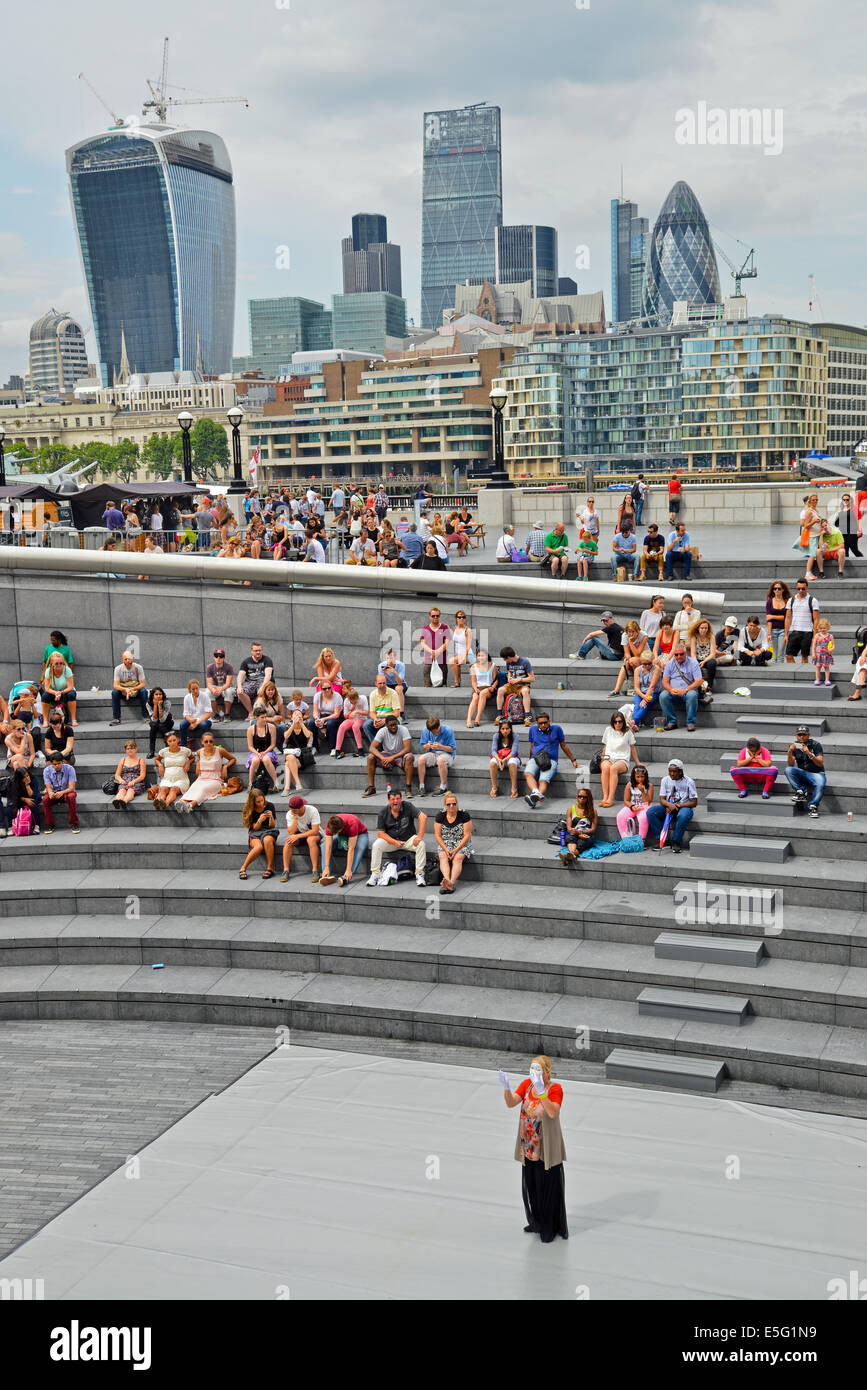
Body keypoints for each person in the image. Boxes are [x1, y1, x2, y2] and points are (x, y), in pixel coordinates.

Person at [501, 1055, 567, 1243]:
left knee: (547, 1188)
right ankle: (536, 1222)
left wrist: (542, 1093)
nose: (533, 1073)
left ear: (547, 1072)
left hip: (545, 1149)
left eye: (537, 1070)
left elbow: (553, 1112)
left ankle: (550, 1227)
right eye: (531, 1069)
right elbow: (511, 1102)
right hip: (529, 1146)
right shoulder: (527, 1085)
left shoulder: (555, 1089)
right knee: (532, 1186)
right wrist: (506, 1088)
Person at [368, 788, 427, 886]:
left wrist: (420, 836)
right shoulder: (383, 813)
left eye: (398, 798)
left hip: (408, 839)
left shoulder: (408, 806)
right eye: (393, 799)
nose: (395, 801)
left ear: (401, 799)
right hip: (392, 842)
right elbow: (380, 833)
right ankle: (375, 875)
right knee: (376, 845)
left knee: (421, 844)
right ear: (388, 800)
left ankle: (420, 874)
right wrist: (394, 842)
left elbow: (423, 817)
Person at [524, 712, 578, 808]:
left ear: (549, 721)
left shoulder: (557, 729)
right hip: (536, 758)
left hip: (550, 760)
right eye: (540, 723)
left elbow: (563, 745)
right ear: (537, 723)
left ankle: (534, 800)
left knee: (543, 780)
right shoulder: (532, 729)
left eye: (545, 722)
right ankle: (536, 793)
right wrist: (529, 760)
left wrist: (573, 760)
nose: (543, 725)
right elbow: (532, 746)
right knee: (528, 773)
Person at [646, 758, 697, 853]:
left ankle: (676, 841)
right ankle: (663, 840)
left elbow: (694, 802)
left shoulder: (689, 781)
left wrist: (677, 806)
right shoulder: (665, 780)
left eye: (675, 771)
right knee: (651, 812)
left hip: (684, 807)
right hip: (669, 806)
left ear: (680, 771)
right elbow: (662, 799)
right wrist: (669, 805)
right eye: (670, 771)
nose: (672, 774)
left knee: (683, 816)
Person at [177, 734, 236, 813]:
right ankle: (181, 802)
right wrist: (198, 763)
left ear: (213, 742)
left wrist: (225, 766)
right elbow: (198, 767)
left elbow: (233, 759)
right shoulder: (199, 752)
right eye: (206, 741)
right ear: (202, 742)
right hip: (202, 778)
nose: (208, 743)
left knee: (203, 789)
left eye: (211, 741)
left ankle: (190, 805)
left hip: (216, 779)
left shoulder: (220, 750)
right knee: (193, 788)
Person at [364, 714, 413, 796]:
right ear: (386, 726)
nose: (394, 727)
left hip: (400, 754)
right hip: (386, 754)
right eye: (391, 725)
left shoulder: (403, 729)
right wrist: (383, 759)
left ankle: (408, 788)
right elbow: (372, 748)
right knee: (370, 757)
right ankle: (372, 787)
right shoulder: (382, 731)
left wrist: (392, 758)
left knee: (409, 757)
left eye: (395, 724)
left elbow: (408, 749)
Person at [598, 711, 639, 807]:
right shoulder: (608, 730)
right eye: (615, 722)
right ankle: (605, 797)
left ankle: (611, 798)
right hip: (609, 758)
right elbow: (605, 745)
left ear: (623, 722)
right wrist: (603, 758)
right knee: (605, 767)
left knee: (613, 769)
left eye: (620, 721)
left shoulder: (628, 731)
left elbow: (632, 747)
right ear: (612, 722)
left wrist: (637, 762)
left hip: (622, 759)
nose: (618, 724)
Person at [659, 644, 703, 731]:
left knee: (692, 695)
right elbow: (664, 681)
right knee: (663, 696)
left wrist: (685, 690)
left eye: (681, 654)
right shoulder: (670, 664)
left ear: (686, 653)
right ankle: (672, 722)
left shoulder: (693, 663)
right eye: (676, 655)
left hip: (688, 691)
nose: (678, 656)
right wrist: (670, 689)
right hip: (673, 691)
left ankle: (690, 723)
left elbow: (698, 681)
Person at [784, 725, 825, 818]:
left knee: (821, 784)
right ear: (796, 736)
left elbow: (820, 763)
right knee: (788, 770)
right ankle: (801, 791)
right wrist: (789, 753)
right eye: (799, 735)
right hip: (803, 773)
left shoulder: (816, 745)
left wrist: (809, 753)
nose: (801, 737)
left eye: (804, 735)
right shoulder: (794, 746)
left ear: (809, 735)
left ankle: (813, 806)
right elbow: (790, 764)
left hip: (817, 773)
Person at [434, 793, 473, 893]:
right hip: (445, 843)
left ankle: (451, 883)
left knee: (458, 858)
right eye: (449, 804)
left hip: (461, 843)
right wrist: (446, 849)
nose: (451, 806)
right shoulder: (440, 816)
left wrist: (456, 850)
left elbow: (467, 835)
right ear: (445, 805)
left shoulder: (464, 815)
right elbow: (438, 836)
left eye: (454, 804)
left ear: (457, 804)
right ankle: (446, 880)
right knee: (442, 856)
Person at [319, 812, 369, 887]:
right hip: (342, 835)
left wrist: (348, 869)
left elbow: (351, 848)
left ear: (341, 829)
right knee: (324, 846)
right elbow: (328, 847)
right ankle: (326, 874)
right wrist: (326, 867)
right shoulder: (330, 824)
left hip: (360, 834)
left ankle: (347, 876)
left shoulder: (352, 823)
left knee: (360, 848)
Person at [239, 790, 278, 879]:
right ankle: (243, 867)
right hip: (255, 831)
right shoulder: (249, 809)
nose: (261, 803)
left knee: (267, 840)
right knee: (258, 847)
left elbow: (272, 826)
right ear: (253, 802)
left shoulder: (270, 806)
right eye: (258, 802)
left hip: (269, 831)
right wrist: (260, 820)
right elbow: (255, 828)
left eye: (262, 800)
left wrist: (271, 817)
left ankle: (270, 868)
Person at [416, 716, 457, 796]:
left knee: (440, 760)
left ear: (439, 726)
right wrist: (427, 746)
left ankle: (443, 788)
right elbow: (423, 745)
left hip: (447, 754)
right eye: (432, 732)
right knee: (420, 759)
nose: (435, 733)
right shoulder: (426, 730)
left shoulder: (448, 730)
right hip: (433, 753)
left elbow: (452, 749)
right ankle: (421, 786)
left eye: (436, 731)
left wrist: (440, 746)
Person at [42, 752, 80, 834]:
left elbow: (72, 788)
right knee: (45, 799)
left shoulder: (70, 769)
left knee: (71, 796)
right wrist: (50, 792)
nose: (57, 766)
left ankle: (74, 824)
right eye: (54, 764)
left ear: (62, 762)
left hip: (66, 792)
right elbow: (48, 787)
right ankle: (49, 825)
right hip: (54, 793)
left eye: (59, 763)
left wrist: (61, 793)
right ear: (51, 763)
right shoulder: (46, 770)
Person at [153, 731, 191, 811]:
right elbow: (156, 760)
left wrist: (188, 763)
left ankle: (165, 804)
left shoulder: (185, 750)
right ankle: (159, 802)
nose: (172, 742)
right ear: (167, 742)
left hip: (181, 779)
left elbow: (192, 758)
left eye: (174, 740)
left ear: (178, 740)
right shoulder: (164, 751)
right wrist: (160, 765)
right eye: (170, 741)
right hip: (167, 778)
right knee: (163, 789)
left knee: (173, 789)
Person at [558, 788, 599, 864]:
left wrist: (580, 833)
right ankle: (572, 856)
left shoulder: (593, 811)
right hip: (574, 833)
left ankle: (567, 857)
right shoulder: (571, 809)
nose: (582, 798)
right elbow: (569, 828)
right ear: (577, 797)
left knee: (581, 843)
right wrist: (578, 834)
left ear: (588, 799)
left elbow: (593, 829)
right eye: (580, 796)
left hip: (586, 834)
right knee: (570, 838)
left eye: (585, 797)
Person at [783, 579, 819, 664]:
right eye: (798, 588)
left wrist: (815, 636)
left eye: (803, 588)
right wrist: (785, 634)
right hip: (794, 631)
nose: (800, 590)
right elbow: (787, 618)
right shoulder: (791, 600)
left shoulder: (813, 600)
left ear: (807, 587)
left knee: (804, 656)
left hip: (807, 632)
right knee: (788, 655)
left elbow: (816, 619)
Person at [496, 646, 535, 723]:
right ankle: (499, 715)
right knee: (500, 690)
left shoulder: (525, 662)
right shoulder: (508, 662)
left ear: (509, 657)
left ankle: (527, 716)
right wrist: (509, 677)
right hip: (512, 685)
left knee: (525, 692)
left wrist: (519, 679)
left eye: (505, 659)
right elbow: (509, 671)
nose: (504, 660)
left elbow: (532, 678)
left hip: (523, 685)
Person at [610, 620, 648, 696]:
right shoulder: (624, 635)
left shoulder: (644, 635)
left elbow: (638, 653)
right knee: (627, 663)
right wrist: (629, 659)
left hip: (645, 656)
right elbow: (626, 653)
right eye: (628, 631)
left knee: (633, 660)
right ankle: (616, 690)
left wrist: (630, 642)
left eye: (632, 632)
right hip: (633, 657)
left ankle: (638, 687)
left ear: (637, 631)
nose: (630, 634)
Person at [236, 642, 274, 718]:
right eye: (256, 650)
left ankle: (256, 713)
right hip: (250, 682)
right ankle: (251, 712)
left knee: (264, 690)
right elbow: (240, 675)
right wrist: (239, 687)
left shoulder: (267, 660)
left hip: (263, 681)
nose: (258, 652)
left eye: (260, 650)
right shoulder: (246, 661)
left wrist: (263, 686)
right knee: (240, 692)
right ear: (252, 651)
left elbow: (268, 675)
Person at [110, 651, 148, 725]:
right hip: (123, 689)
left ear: (132, 659)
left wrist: (133, 689)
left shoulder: (138, 667)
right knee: (114, 693)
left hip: (135, 689)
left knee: (144, 692)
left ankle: (146, 716)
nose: (128, 661)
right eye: (125, 659)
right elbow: (115, 685)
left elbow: (143, 684)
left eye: (129, 659)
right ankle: (116, 718)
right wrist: (125, 689)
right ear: (122, 660)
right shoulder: (118, 668)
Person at [363, 673, 401, 745]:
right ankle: (377, 747)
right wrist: (375, 719)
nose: (382, 685)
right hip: (378, 718)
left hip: (391, 718)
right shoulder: (373, 694)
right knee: (366, 725)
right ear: (376, 684)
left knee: (388, 725)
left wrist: (385, 720)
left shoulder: (393, 693)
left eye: (384, 683)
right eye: (380, 683)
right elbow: (372, 712)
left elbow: (397, 713)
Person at [616, 765, 653, 840]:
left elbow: (648, 801)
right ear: (634, 776)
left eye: (642, 776)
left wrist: (642, 791)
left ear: (645, 776)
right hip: (633, 806)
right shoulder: (629, 785)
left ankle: (642, 840)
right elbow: (626, 800)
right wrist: (632, 807)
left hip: (644, 807)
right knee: (620, 816)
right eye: (638, 777)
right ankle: (625, 839)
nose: (640, 779)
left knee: (643, 818)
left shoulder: (649, 786)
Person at [246, 709, 279, 789]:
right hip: (255, 751)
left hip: (268, 750)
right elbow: (250, 746)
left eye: (265, 717)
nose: (265, 719)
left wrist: (264, 753)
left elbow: (273, 745)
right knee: (255, 760)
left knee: (266, 759)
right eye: (262, 717)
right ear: (256, 717)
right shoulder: (250, 729)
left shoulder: (271, 727)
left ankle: (276, 783)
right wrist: (258, 754)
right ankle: (250, 783)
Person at [282, 709, 313, 793]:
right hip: (291, 753)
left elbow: (308, 735)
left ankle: (287, 788)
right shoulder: (288, 726)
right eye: (295, 714)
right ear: (291, 717)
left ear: (302, 717)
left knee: (288, 763)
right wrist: (293, 724)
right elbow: (286, 736)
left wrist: (301, 723)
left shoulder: (306, 725)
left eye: (299, 714)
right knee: (290, 758)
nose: (297, 715)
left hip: (302, 755)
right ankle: (297, 783)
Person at [309, 680, 343, 754]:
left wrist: (324, 719)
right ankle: (315, 747)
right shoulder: (317, 696)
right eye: (324, 689)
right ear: (321, 689)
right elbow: (315, 711)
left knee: (331, 723)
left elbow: (337, 714)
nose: (327, 690)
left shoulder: (337, 696)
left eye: (329, 688)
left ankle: (333, 748)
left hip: (335, 716)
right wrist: (317, 719)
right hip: (322, 715)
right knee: (311, 723)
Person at [112, 739, 147, 811]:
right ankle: (117, 801)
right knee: (122, 790)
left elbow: (142, 776)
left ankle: (124, 801)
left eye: (132, 748)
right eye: (128, 749)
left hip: (137, 782)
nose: (130, 750)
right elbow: (117, 775)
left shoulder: (141, 760)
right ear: (125, 750)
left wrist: (134, 781)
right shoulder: (123, 760)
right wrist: (121, 780)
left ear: (136, 749)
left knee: (130, 790)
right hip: (125, 781)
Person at [334, 684, 367, 759]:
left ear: (357, 698)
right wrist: (351, 710)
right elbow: (345, 716)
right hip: (351, 719)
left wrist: (357, 711)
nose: (353, 703)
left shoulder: (363, 698)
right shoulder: (346, 701)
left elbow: (366, 712)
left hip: (361, 718)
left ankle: (360, 749)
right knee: (342, 726)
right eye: (351, 702)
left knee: (355, 726)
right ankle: (337, 750)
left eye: (354, 702)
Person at [420, 607, 451, 688]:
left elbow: (447, 643)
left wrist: (437, 652)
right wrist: (432, 652)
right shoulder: (425, 628)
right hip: (429, 660)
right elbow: (422, 644)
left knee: (442, 685)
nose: (435, 617)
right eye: (433, 616)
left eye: (437, 616)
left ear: (439, 616)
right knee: (428, 685)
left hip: (442, 661)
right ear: (429, 616)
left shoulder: (445, 627)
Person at [490, 720, 520, 798]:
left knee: (512, 762)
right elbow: (493, 751)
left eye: (507, 728)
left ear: (510, 729)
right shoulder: (496, 736)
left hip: (511, 757)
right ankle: (494, 787)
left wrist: (504, 760)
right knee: (492, 763)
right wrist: (499, 760)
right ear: (500, 729)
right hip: (500, 758)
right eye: (503, 729)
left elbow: (514, 752)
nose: (505, 731)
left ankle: (514, 788)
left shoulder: (515, 736)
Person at [467, 650, 498, 727]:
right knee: (475, 698)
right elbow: (473, 681)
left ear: (487, 656)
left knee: (483, 693)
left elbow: (496, 679)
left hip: (489, 688)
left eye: (482, 655)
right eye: (479, 655)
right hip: (478, 687)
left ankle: (478, 718)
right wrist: (475, 689)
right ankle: (468, 720)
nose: (480, 657)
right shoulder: (473, 667)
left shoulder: (492, 665)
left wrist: (493, 687)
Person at [179, 679, 213, 748]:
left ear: (199, 687)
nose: (195, 691)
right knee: (182, 724)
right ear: (189, 690)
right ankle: (183, 746)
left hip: (203, 720)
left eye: (197, 688)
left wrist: (196, 723)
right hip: (192, 720)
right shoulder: (187, 697)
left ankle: (204, 746)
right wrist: (190, 720)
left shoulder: (205, 696)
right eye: (193, 689)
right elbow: (185, 713)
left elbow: (209, 714)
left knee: (204, 725)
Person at [631, 652, 661, 729]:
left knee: (644, 705)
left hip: (653, 693)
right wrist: (643, 696)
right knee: (637, 706)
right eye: (644, 664)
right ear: (641, 662)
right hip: (640, 693)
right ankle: (635, 726)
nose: (647, 666)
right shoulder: (637, 670)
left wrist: (645, 699)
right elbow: (636, 688)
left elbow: (652, 686)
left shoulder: (656, 669)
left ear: (652, 661)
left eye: (649, 663)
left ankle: (633, 722)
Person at [797, 494, 823, 578]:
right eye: (813, 500)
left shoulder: (815, 510)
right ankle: (808, 573)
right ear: (809, 501)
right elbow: (805, 525)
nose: (815, 501)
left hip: (817, 535)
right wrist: (814, 522)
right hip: (812, 536)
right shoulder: (809, 511)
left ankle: (809, 573)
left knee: (813, 554)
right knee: (812, 555)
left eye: (816, 500)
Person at [205, 649, 235, 722]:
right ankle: (216, 714)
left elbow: (228, 683)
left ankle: (227, 715)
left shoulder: (229, 667)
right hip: (214, 686)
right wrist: (213, 690)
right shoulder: (209, 667)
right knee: (208, 692)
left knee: (229, 691)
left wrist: (220, 689)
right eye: (216, 656)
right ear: (214, 657)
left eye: (221, 656)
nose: (218, 658)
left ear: (224, 658)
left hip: (226, 686)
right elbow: (209, 683)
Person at [765, 582, 792, 663]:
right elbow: (768, 619)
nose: (777, 590)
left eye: (779, 588)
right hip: (773, 630)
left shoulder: (787, 601)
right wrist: (769, 633)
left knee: (780, 655)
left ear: (783, 590)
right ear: (773, 590)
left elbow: (786, 618)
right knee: (774, 656)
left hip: (783, 631)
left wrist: (773, 616)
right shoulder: (770, 602)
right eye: (775, 589)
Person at [145, 686, 174, 758]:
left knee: (161, 725)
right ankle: (152, 751)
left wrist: (160, 706)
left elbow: (162, 720)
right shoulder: (148, 704)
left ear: (162, 695)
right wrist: (155, 705)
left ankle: (168, 748)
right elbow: (154, 719)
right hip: (155, 721)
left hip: (167, 721)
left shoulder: (167, 702)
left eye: (160, 694)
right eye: (156, 694)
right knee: (154, 725)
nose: (158, 696)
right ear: (152, 695)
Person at [448, 611, 474, 688]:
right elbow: (456, 639)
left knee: (451, 660)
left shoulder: (467, 630)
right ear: (456, 619)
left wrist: (463, 657)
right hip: (459, 655)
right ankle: (457, 683)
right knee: (455, 662)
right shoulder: (455, 629)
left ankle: (456, 682)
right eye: (459, 617)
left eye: (463, 617)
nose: (461, 619)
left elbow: (468, 646)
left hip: (468, 655)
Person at [834, 491, 863, 559]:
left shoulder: (854, 508)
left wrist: (859, 530)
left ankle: (864, 562)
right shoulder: (840, 509)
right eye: (844, 499)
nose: (845, 501)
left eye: (847, 499)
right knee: (845, 550)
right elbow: (837, 524)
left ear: (850, 500)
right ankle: (846, 566)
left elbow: (858, 520)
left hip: (852, 531)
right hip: (843, 532)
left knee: (854, 548)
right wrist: (839, 514)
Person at [811, 617, 835, 688]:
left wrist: (831, 649)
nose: (822, 630)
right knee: (818, 667)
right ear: (819, 628)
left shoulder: (830, 636)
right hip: (818, 654)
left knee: (826, 667)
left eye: (824, 628)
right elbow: (813, 645)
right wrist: (813, 653)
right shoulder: (817, 635)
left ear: (828, 627)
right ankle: (817, 679)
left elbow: (833, 645)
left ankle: (827, 680)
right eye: (821, 628)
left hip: (826, 654)